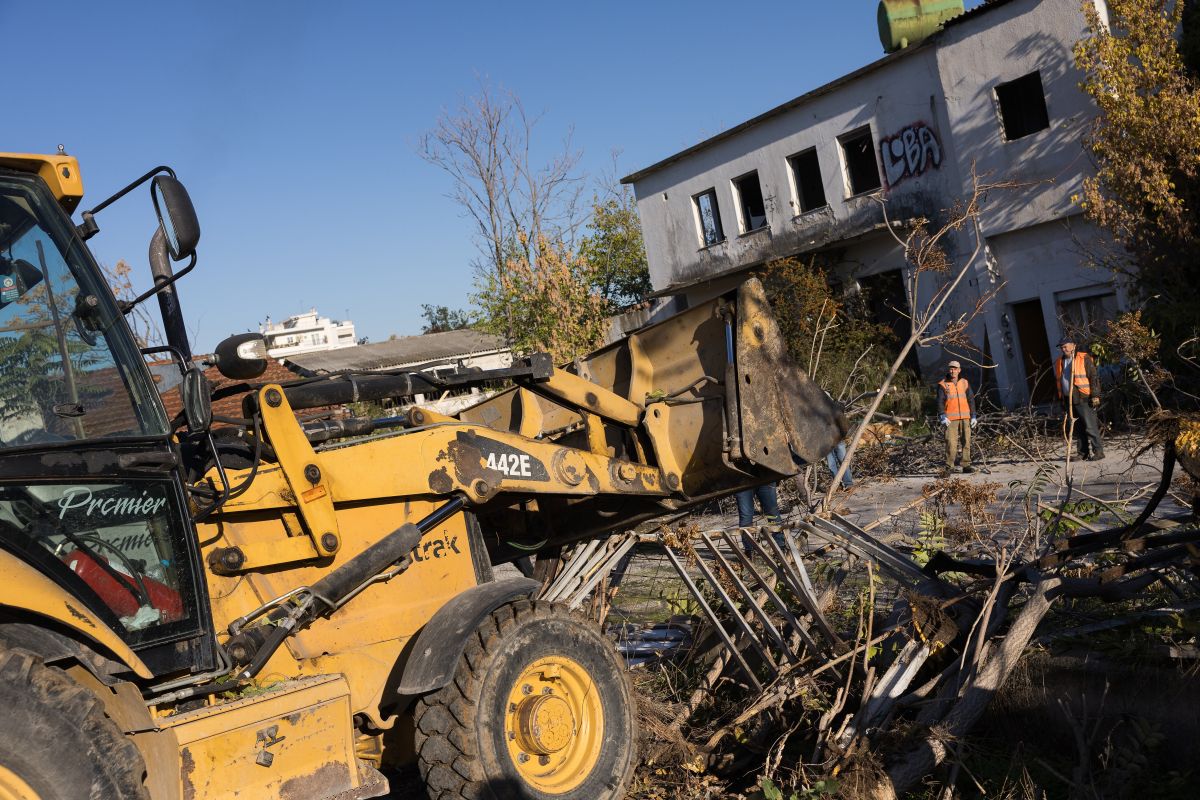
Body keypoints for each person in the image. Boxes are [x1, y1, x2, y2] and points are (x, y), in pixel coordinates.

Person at [1055, 336, 1104, 460]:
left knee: (1090, 425)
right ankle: (1083, 453)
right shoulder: (1060, 361)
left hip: (1083, 397)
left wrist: (1095, 395)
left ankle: (1098, 452)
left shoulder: (1083, 358)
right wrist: (1061, 399)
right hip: (1068, 399)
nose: (1063, 349)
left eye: (1065, 346)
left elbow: (1094, 377)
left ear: (1073, 345)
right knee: (1078, 427)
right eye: (1061, 347)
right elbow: (1059, 381)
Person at [937, 360, 977, 476]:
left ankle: (966, 465)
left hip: (965, 417)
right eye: (950, 368)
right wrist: (942, 416)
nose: (952, 370)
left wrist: (973, 416)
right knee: (951, 443)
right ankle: (949, 467)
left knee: (966, 441)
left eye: (955, 368)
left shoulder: (965, 383)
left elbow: (971, 400)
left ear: (959, 370)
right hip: (950, 420)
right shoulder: (943, 384)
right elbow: (940, 401)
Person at [735, 483, 781, 553]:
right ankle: (749, 552)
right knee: (746, 518)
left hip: (766, 479)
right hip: (742, 481)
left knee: (772, 514)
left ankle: (780, 547)